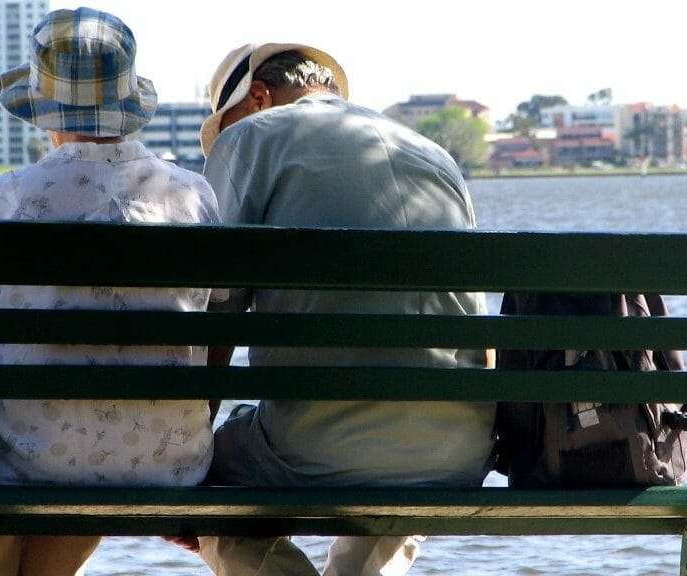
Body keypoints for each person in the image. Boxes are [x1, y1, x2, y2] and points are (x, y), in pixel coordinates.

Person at [0, 8, 220, 576]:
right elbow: (220, 317)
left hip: (26, 465)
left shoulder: (4, 198)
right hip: (170, 463)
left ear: (42, 110)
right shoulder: (192, 196)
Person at [196, 43, 496, 576]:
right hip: (458, 453)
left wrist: (185, 450)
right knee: (398, 495)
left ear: (258, 97)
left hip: (314, 450)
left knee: (214, 484)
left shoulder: (250, 139)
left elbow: (217, 311)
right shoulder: (435, 156)